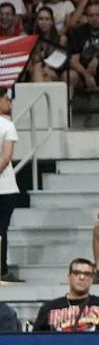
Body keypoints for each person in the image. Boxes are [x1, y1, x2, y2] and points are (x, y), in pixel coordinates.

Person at [33, 258, 99, 331]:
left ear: (92, 279)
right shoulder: (49, 308)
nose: (82, 277)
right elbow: (35, 340)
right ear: (69, 277)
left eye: (87, 274)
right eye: (77, 273)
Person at [0, 86, 21, 283]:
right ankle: (1, 270)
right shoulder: (7, 126)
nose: (9, 102)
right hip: (5, 188)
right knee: (1, 229)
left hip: (5, 188)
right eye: (6, 99)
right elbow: (6, 158)